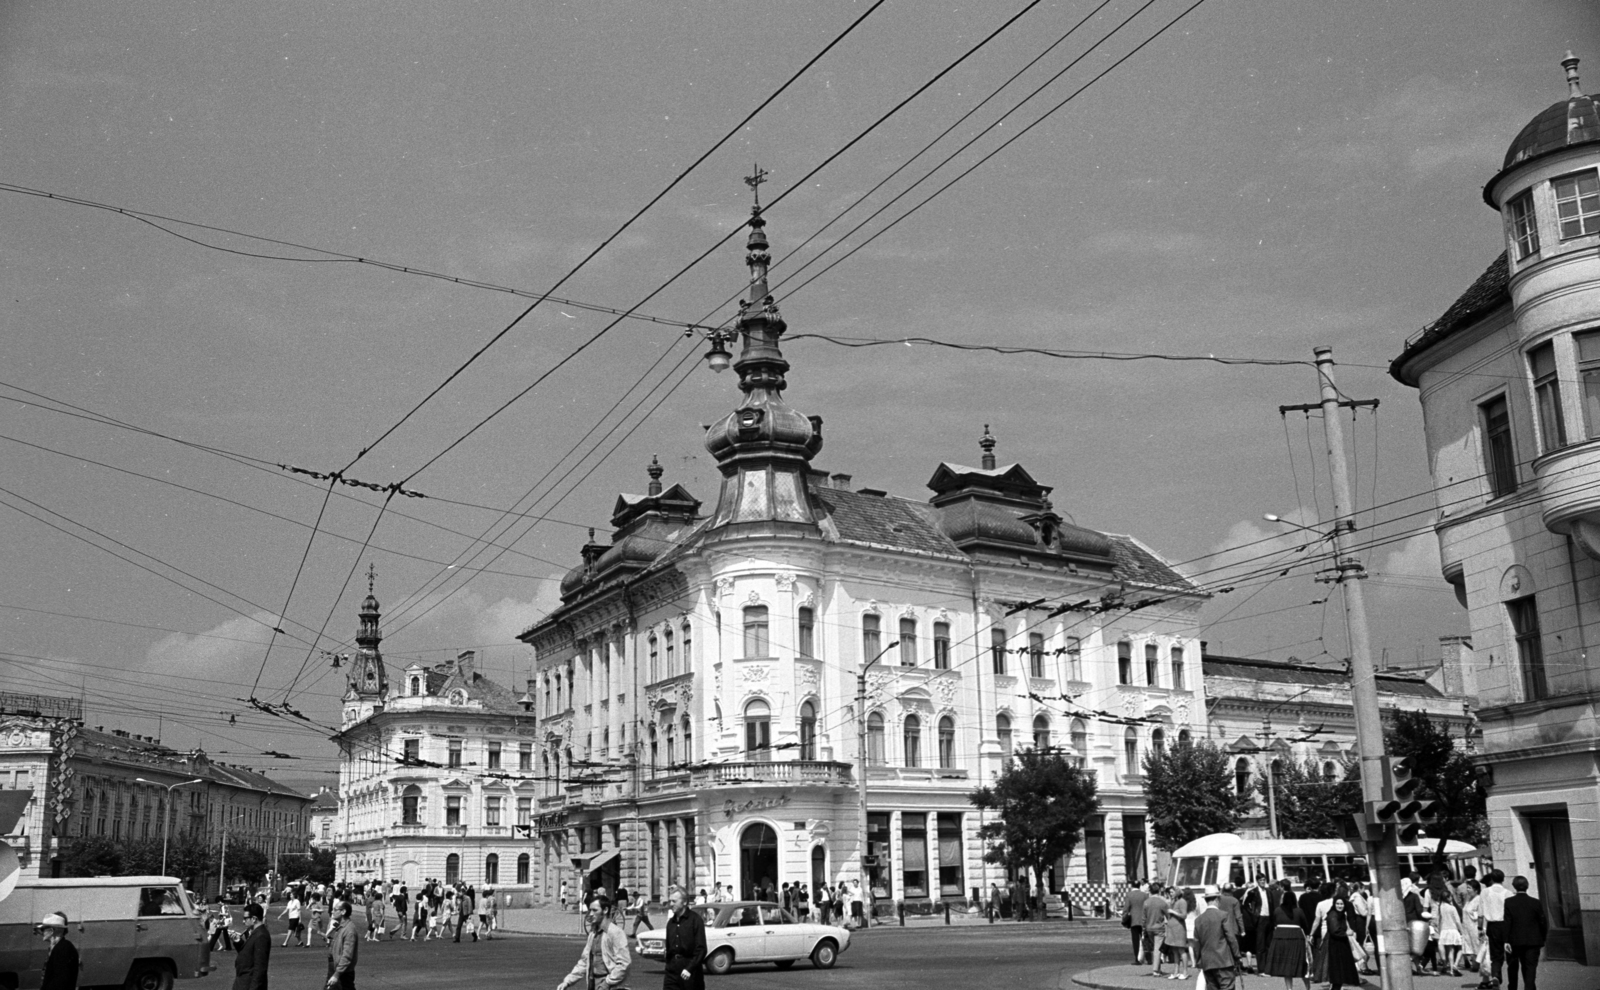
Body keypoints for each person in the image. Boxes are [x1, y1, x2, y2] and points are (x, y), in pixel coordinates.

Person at [556, 894, 631, 990]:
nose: (591, 914)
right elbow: (584, 961)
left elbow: (624, 963)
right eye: (590, 910)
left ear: (605, 910)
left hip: (611, 985)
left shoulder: (616, 933)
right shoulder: (593, 933)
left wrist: (607, 983)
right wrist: (567, 981)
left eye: (595, 910)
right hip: (593, 983)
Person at [1259, 880, 1309, 990]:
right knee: (1301, 965)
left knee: (1287, 965)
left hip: (1280, 937)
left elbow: (1274, 923)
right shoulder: (1299, 911)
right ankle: (1307, 987)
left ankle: (1289, 988)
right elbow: (1305, 926)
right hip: (1296, 938)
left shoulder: (1277, 910)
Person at [1503, 876, 1547, 990]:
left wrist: (1506, 940)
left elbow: (1507, 922)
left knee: (1512, 966)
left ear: (1514, 886)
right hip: (1533, 941)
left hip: (1514, 941)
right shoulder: (1536, 902)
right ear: (1527, 886)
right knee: (1530, 967)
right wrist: (1542, 938)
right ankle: (1529, 988)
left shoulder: (1509, 902)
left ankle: (1512, 988)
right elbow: (1543, 922)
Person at [1194, 886, 1241, 990]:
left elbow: (1196, 944)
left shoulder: (1198, 920)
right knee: (1227, 987)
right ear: (1216, 899)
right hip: (1223, 960)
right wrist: (1237, 955)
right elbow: (1231, 938)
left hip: (1207, 962)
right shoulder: (1223, 915)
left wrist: (1198, 960)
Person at [661, 888, 706, 990]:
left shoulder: (695, 920)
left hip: (689, 971)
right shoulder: (671, 923)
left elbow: (701, 949)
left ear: (684, 902)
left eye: (674, 901)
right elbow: (669, 947)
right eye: (670, 901)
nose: (671, 904)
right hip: (672, 971)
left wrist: (689, 968)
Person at [1323, 895, 1361, 990]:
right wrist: (1346, 933)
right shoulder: (1333, 914)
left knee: (1339, 973)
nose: (1340, 906)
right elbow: (1335, 930)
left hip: (1340, 945)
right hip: (1335, 946)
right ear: (1334, 904)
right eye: (1337, 904)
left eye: (1341, 904)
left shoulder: (1341, 914)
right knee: (1337, 972)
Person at [1481, 870, 1510, 990]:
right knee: (1508, 952)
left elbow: (1480, 911)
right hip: (1505, 924)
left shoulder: (1485, 892)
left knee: (1495, 954)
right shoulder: (1508, 893)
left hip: (1492, 925)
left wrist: (1480, 927)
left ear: (1491, 879)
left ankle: (1496, 975)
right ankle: (1506, 977)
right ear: (1503, 879)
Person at [37, 912, 79, 990]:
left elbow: (60, 982)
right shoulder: (58, 948)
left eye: (43, 929)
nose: (42, 932)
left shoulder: (63, 949)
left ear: (52, 930)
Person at [233, 903, 270, 990]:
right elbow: (248, 955)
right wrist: (239, 942)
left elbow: (260, 968)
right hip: (243, 982)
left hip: (248, 984)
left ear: (254, 919)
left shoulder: (261, 936)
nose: (243, 921)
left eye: (245, 918)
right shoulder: (255, 932)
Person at [325, 901, 358, 990]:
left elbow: (347, 955)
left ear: (343, 912)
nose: (332, 912)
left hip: (343, 971)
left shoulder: (349, 930)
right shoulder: (340, 927)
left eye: (335, 910)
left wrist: (336, 975)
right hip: (335, 967)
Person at [1143, 882, 1170, 977]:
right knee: (1158, 949)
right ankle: (1155, 970)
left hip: (1149, 928)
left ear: (1150, 891)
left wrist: (1143, 928)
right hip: (1159, 927)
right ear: (1158, 891)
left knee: (1155, 948)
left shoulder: (1146, 902)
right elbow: (1168, 915)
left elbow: (1143, 917)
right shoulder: (1162, 902)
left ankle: (1158, 969)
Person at [1165, 889, 1191, 981]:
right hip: (1172, 929)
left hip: (1179, 929)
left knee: (1181, 950)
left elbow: (1184, 915)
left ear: (1177, 892)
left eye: (1172, 892)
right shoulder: (1173, 902)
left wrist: (1173, 912)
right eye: (1169, 893)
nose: (1170, 894)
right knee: (1174, 950)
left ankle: (1185, 972)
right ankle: (1176, 972)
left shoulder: (1182, 901)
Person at [1123, 881, 1150, 966]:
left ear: (1132, 886)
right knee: (1146, 939)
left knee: (1135, 940)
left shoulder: (1129, 895)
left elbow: (1126, 908)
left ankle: (1137, 959)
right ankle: (1149, 958)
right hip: (1144, 920)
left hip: (1134, 920)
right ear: (1139, 886)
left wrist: (1124, 918)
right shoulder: (1145, 895)